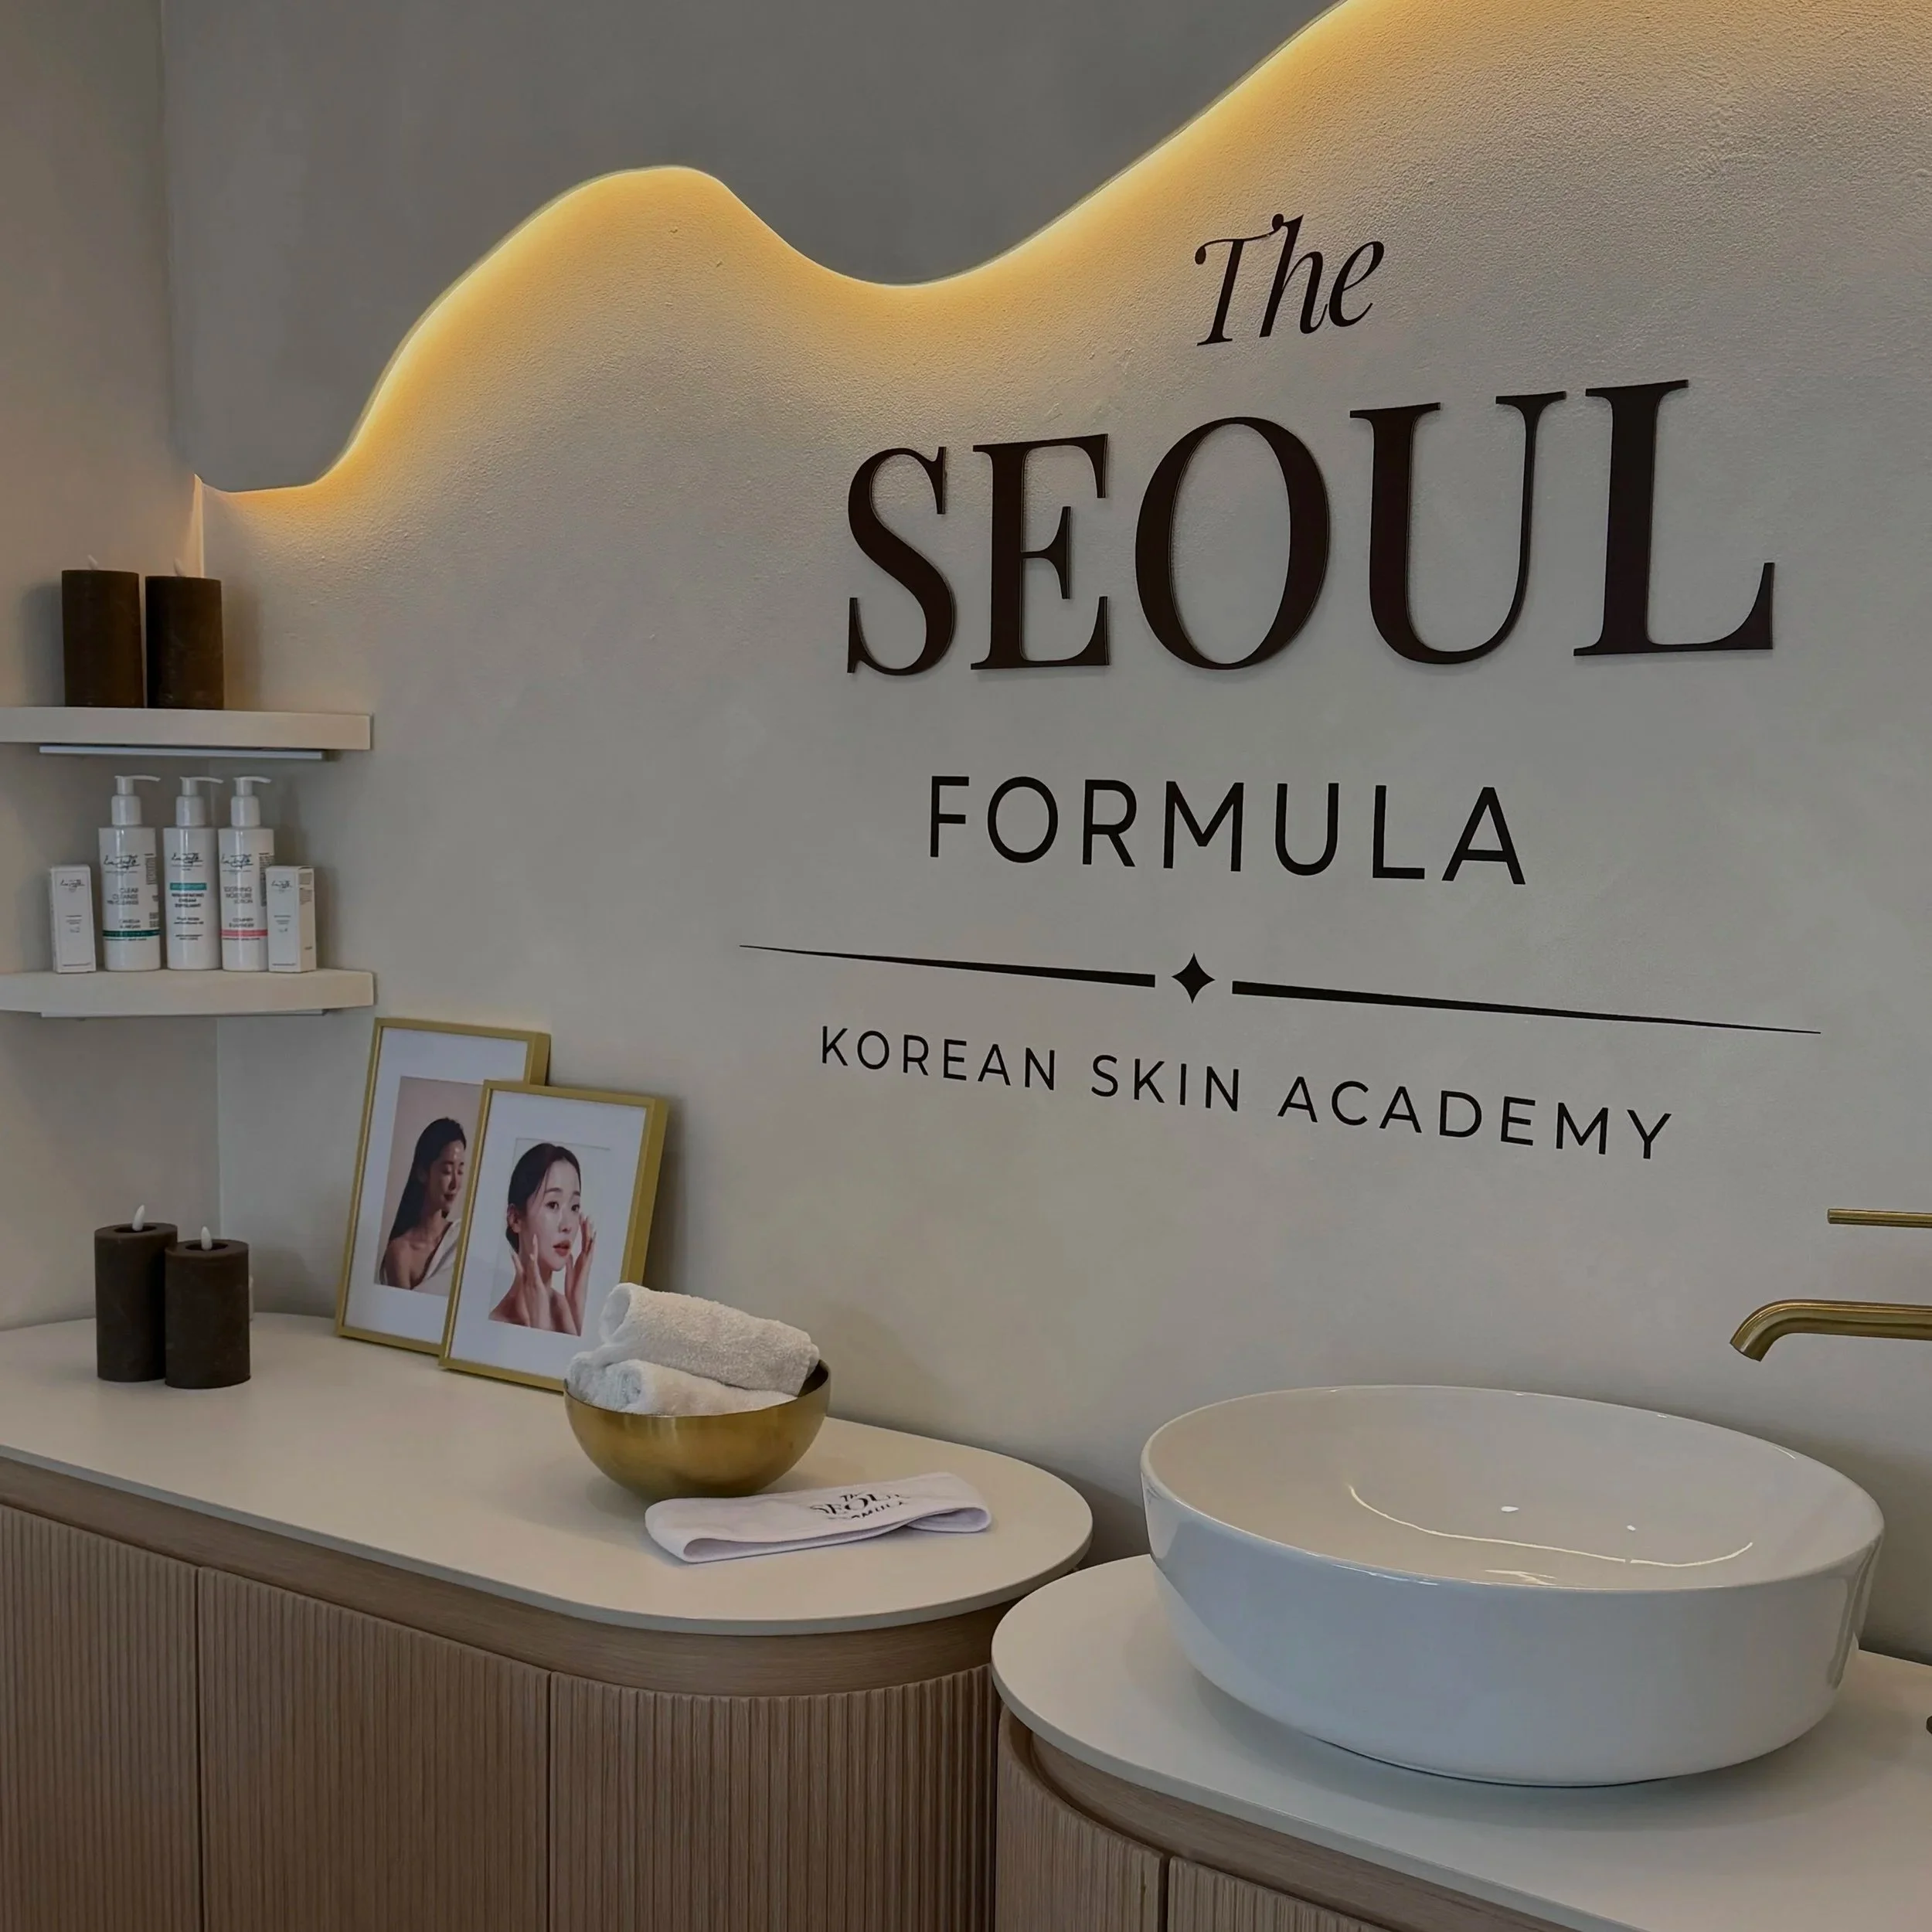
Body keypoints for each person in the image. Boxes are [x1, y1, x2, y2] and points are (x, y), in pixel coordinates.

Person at [489, 1141, 597, 1333]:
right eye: (553, 1205)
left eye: (574, 1207)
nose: (567, 1225)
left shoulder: (567, 1311)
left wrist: (576, 1312)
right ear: (515, 1218)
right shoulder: (498, 1323)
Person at [378, 1117, 468, 1292]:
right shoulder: (400, 1252)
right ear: (422, 1173)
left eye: (460, 1171)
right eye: (447, 1171)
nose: (455, 1184)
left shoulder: (463, 1238)